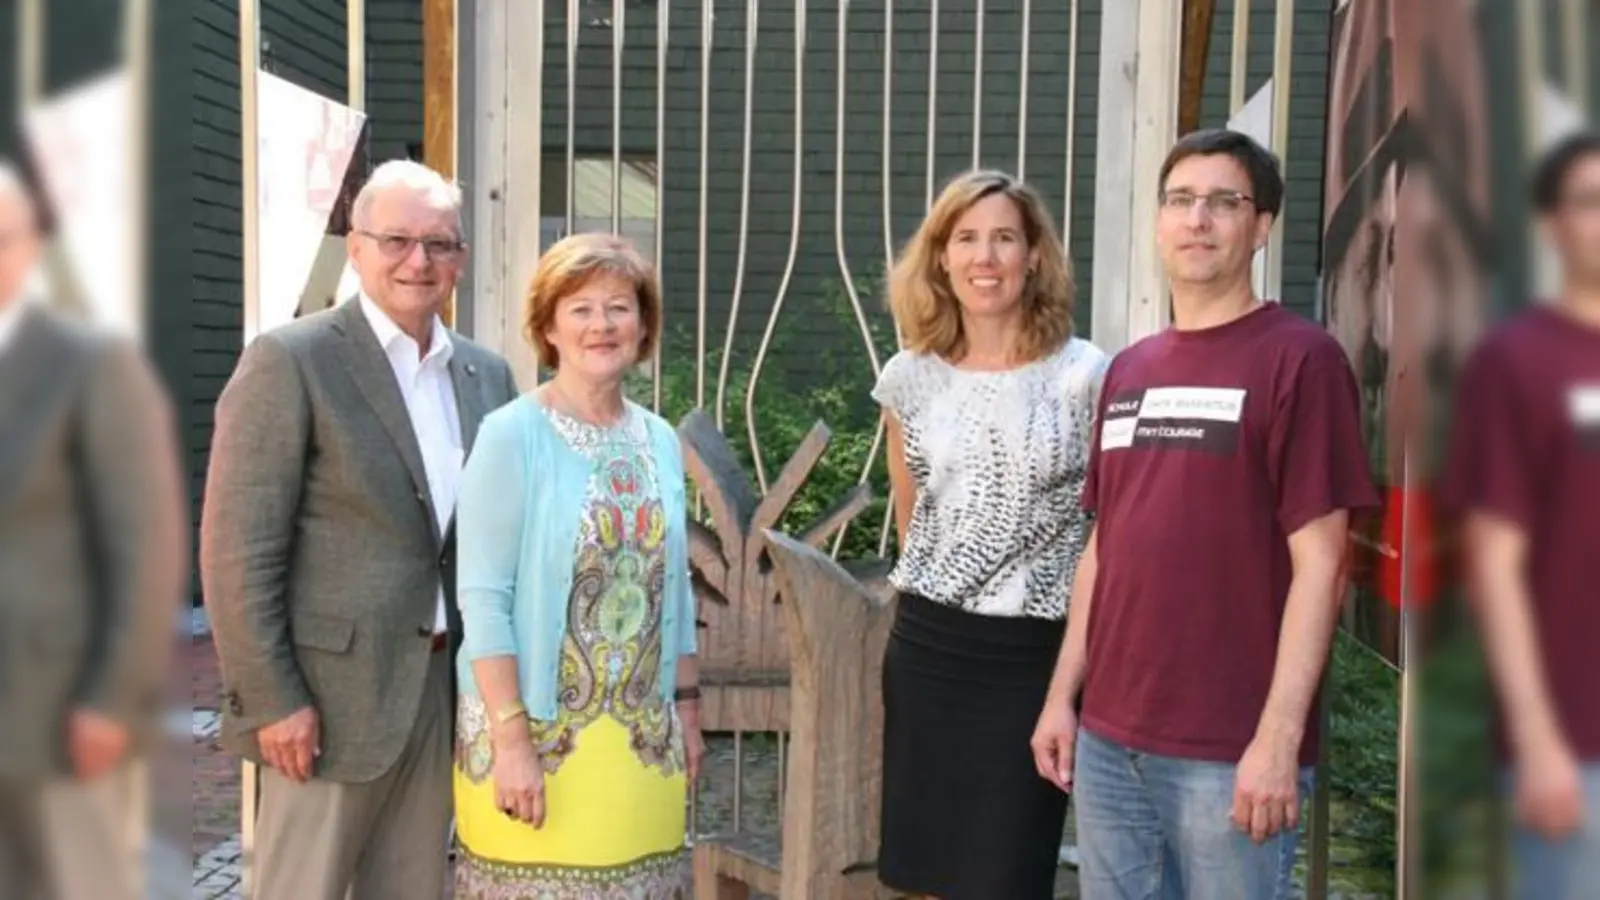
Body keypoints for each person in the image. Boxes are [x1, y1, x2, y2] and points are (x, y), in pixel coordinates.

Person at [1030, 129, 1379, 899]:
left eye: (1225, 202)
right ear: (1159, 221)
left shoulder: (1302, 361)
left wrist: (1280, 739)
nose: (1199, 219)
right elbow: (1103, 548)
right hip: (1111, 740)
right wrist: (1064, 699)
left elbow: (1322, 566)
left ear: (1261, 228)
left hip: (1229, 749)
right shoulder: (1130, 369)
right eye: (1182, 201)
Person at [201, 159, 520, 900]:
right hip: (327, 701)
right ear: (355, 245)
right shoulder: (292, 360)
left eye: (441, 244)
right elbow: (237, 550)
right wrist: (273, 698)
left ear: (461, 260)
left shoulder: (486, 375)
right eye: (398, 240)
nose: (420, 261)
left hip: (443, 690)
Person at [871, 169, 1107, 899]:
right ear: (940, 257)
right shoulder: (909, 378)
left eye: (1004, 237)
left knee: (1008, 875)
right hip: (931, 653)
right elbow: (914, 521)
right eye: (966, 239)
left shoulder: (1087, 376)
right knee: (927, 875)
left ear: (1035, 255)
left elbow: (1104, 532)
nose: (986, 257)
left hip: (1033, 658)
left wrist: (1070, 681)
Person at [452, 232, 703, 896]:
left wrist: (690, 712)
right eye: (581, 308)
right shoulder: (510, 434)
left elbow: (672, 584)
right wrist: (511, 743)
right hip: (534, 739)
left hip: (642, 748)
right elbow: (481, 597)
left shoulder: (660, 439)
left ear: (643, 326)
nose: (602, 325)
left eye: (619, 307)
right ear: (548, 326)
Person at [0, 162, 186, 899]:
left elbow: (147, 544)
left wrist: (112, 698)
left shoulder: (90, 364)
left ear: (32, 247)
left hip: (58, 710)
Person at [1440, 131, 1600, 900]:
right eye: (1591, 202)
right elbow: (1494, 564)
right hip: (1577, 752)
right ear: (1551, 226)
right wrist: (1537, 742)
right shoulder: (1517, 361)